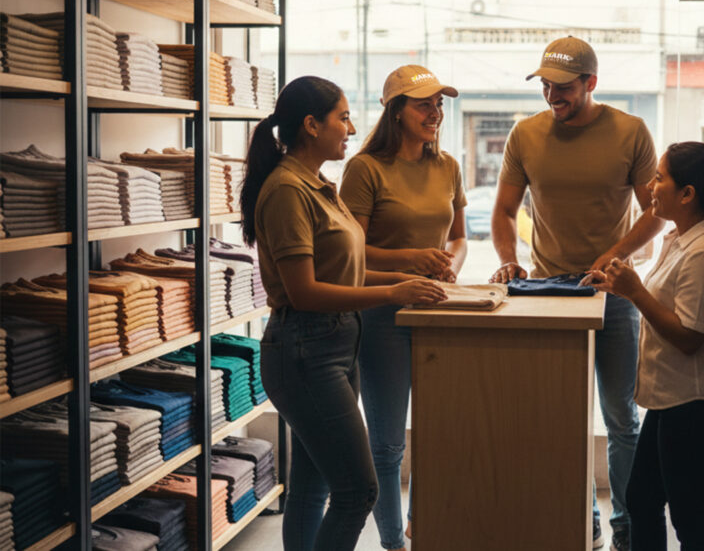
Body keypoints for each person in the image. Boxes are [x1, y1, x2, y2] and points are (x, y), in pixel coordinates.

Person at [239, 76, 447, 551]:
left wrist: (403, 281)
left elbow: (344, 270)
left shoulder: (318, 185)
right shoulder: (287, 190)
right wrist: (392, 292)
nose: (351, 128)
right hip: (305, 351)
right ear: (312, 125)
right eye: (344, 117)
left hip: (332, 346)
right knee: (358, 491)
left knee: (312, 485)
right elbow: (305, 292)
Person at [489, 36, 662, 551]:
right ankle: (581, 521)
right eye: (545, 84)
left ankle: (627, 528)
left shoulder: (631, 131)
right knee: (562, 420)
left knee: (622, 420)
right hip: (549, 293)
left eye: (562, 87)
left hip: (614, 295)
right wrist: (507, 258)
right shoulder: (525, 134)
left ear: (591, 83)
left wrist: (614, 254)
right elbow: (503, 211)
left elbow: (657, 212)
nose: (552, 95)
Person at [584, 141, 704, 551]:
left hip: (699, 403)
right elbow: (666, 305)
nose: (649, 187)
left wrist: (635, 292)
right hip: (673, 399)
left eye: (659, 178)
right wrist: (621, 288)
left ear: (687, 194)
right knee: (642, 500)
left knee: (691, 521)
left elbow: (689, 338)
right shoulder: (681, 239)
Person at [339, 65, 468, 551]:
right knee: (389, 441)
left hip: (436, 309)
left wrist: (449, 266)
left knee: (440, 433)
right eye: (423, 104)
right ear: (396, 111)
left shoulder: (448, 166)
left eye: (439, 104)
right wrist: (412, 259)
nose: (435, 113)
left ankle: (422, 524)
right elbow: (350, 252)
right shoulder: (365, 169)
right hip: (382, 313)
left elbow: (458, 238)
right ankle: (393, 542)